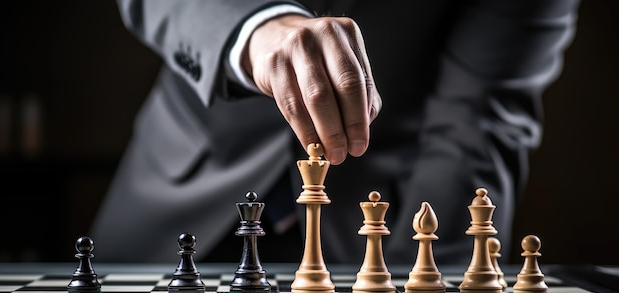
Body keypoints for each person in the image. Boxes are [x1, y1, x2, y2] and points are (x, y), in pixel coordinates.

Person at [91, 0, 580, 265]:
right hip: (175, 200)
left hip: (382, 231)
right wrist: (258, 29)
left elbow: (474, 120)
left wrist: (437, 288)